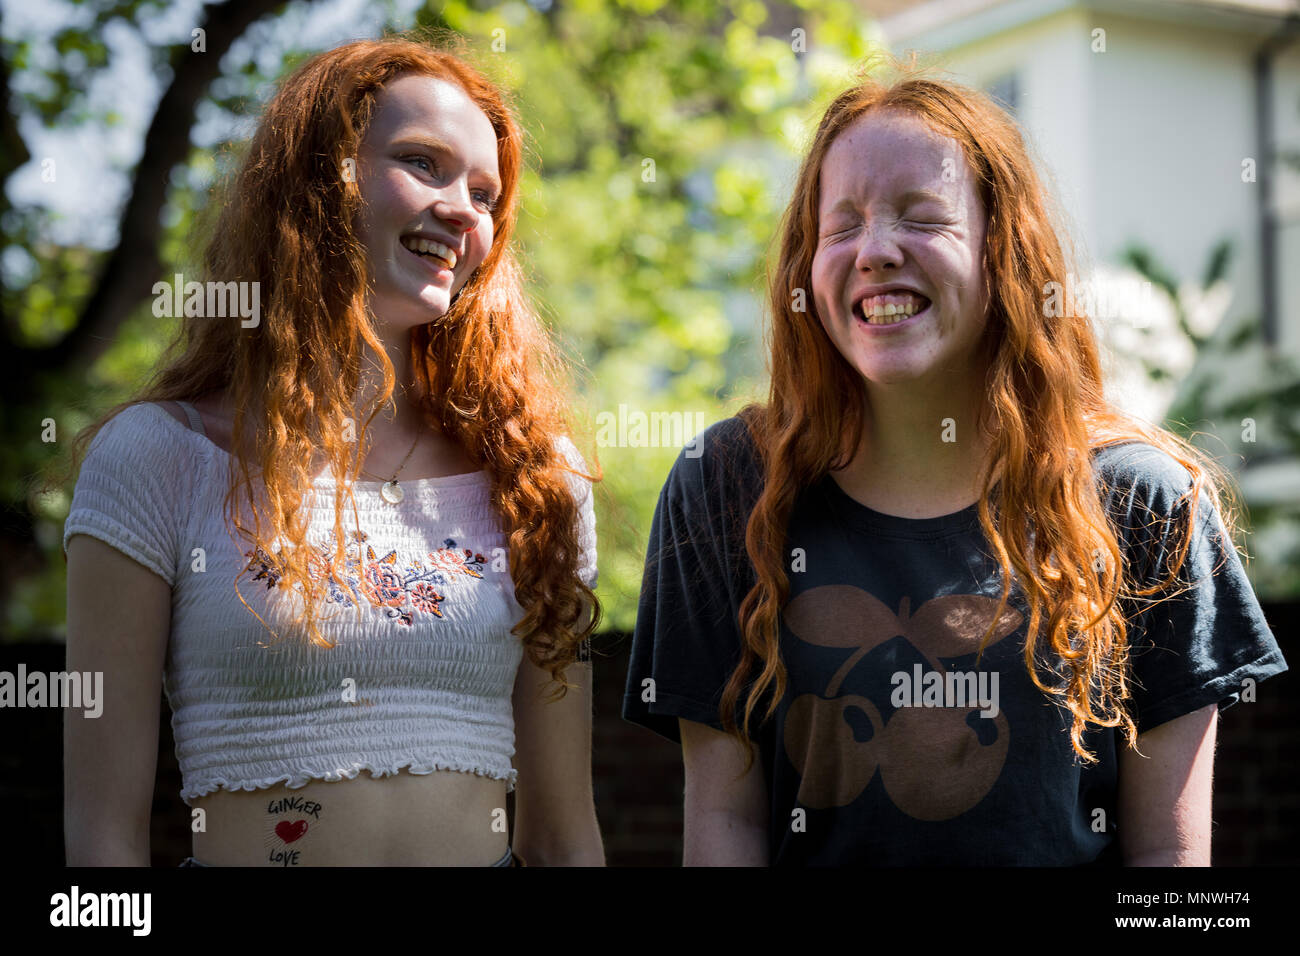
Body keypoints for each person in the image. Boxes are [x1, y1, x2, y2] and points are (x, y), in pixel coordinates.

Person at [622, 64, 1287, 866]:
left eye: (920, 217)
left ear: (1003, 250)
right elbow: (726, 828)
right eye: (842, 226)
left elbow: (1168, 867)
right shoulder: (725, 487)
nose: (874, 252)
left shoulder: (1145, 502)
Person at [61, 35, 604, 867]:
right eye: (423, 164)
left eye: (486, 193)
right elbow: (102, 843)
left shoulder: (539, 477)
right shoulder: (156, 457)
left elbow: (565, 837)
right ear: (318, 181)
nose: (464, 209)